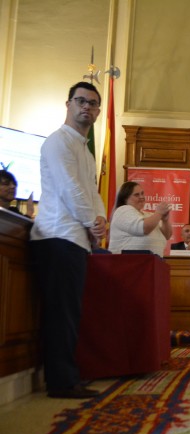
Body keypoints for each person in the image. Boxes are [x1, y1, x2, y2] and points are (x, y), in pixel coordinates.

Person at [29, 82, 107, 399]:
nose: (86, 107)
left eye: (92, 103)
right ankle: (61, 382)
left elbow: (91, 191)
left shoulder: (84, 150)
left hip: (76, 239)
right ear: (69, 104)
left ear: (98, 111)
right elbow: (69, 189)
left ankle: (67, 376)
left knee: (71, 311)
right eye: (81, 101)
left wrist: (100, 220)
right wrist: (92, 221)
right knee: (61, 312)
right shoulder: (58, 142)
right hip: (58, 235)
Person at [108, 181, 172, 256]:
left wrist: (165, 220)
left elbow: (167, 235)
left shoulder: (149, 215)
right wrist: (159, 213)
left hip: (150, 264)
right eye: (136, 195)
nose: (141, 197)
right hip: (127, 264)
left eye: (142, 193)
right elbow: (143, 228)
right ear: (125, 198)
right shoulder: (122, 211)